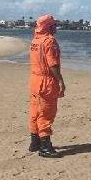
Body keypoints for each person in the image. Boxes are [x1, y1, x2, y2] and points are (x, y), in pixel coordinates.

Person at [28, 14, 66, 158]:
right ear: (49, 26)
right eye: (54, 25)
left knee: (35, 111)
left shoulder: (35, 40)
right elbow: (53, 64)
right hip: (46, 81)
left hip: (34, 80)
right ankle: (45, 146)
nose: (56, 27)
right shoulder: (49, 41)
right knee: (46, 113)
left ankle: (35, 142)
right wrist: (61, 81)